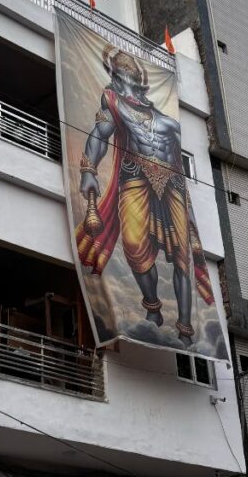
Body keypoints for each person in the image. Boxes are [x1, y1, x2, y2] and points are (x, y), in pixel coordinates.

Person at [75, 46, 213, 345]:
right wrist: (89, 169)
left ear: (139, 80)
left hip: (173, 185)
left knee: (182, 255)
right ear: (116, 76)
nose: (127, 76)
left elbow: (179, 161)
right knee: (134, 245)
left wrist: (190, 204)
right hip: (134, 179)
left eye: (131, 72)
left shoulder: (168, 121)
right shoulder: (112, 103)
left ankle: (185, 328)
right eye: (121, 71)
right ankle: (152, 306)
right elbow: (100, 135)